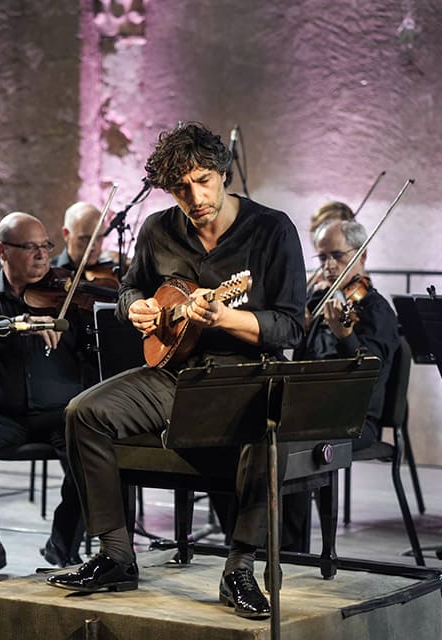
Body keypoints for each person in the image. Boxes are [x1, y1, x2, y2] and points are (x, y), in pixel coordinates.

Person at [46, 122, 306, 620]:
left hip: (244, 376)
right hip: (176, 375)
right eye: (181, 188)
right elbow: (127, 290)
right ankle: (116, 557)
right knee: (84, 412)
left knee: (265, 426)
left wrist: (227, 317)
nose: (195, 196)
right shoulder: (159, 230)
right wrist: (136, 308)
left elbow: (290, 326)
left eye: (203, 180)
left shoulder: (272, 230)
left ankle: (239, 569)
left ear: (222, 173)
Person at [0, 212, 91, 584]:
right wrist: (16, 327)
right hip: (0, 414)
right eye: (30, 248)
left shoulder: (65, 293)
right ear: (2, 251)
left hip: (61, 412)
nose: (42, 256)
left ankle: (63, 545)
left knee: (94, 449)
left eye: (45, 246)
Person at [282, 218, 400, 551]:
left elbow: (370, 373)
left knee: (298, 445)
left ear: (362, 256)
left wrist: (346, 336)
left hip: (356, 421)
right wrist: (299, 329)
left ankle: (299, 552)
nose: (329, 267)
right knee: (266, 436)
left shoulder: (376, 311)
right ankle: (268, 545)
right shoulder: (321, 306)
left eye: (337, 256)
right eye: (322, 259)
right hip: (312, 413)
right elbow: (302, 367)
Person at [52, 201, 111, 271]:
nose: (93, 247)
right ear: (66, 233)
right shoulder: (49, 273)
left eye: (99, 237)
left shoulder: (111, 269)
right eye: (85, 239)